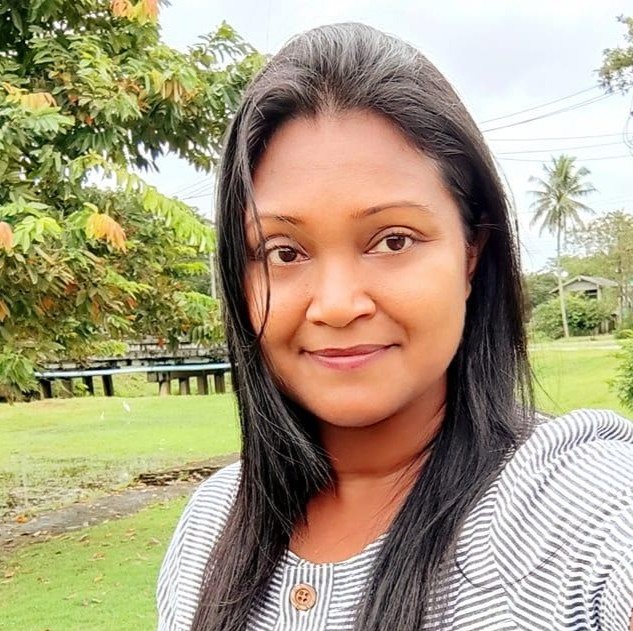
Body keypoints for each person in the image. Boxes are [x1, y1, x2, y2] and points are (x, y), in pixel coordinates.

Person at [157, 23, 633, 631]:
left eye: (393, 240)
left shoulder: (572, 505)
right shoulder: (209, 526)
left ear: (470, 254)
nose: (336, 305)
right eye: (283, 252)